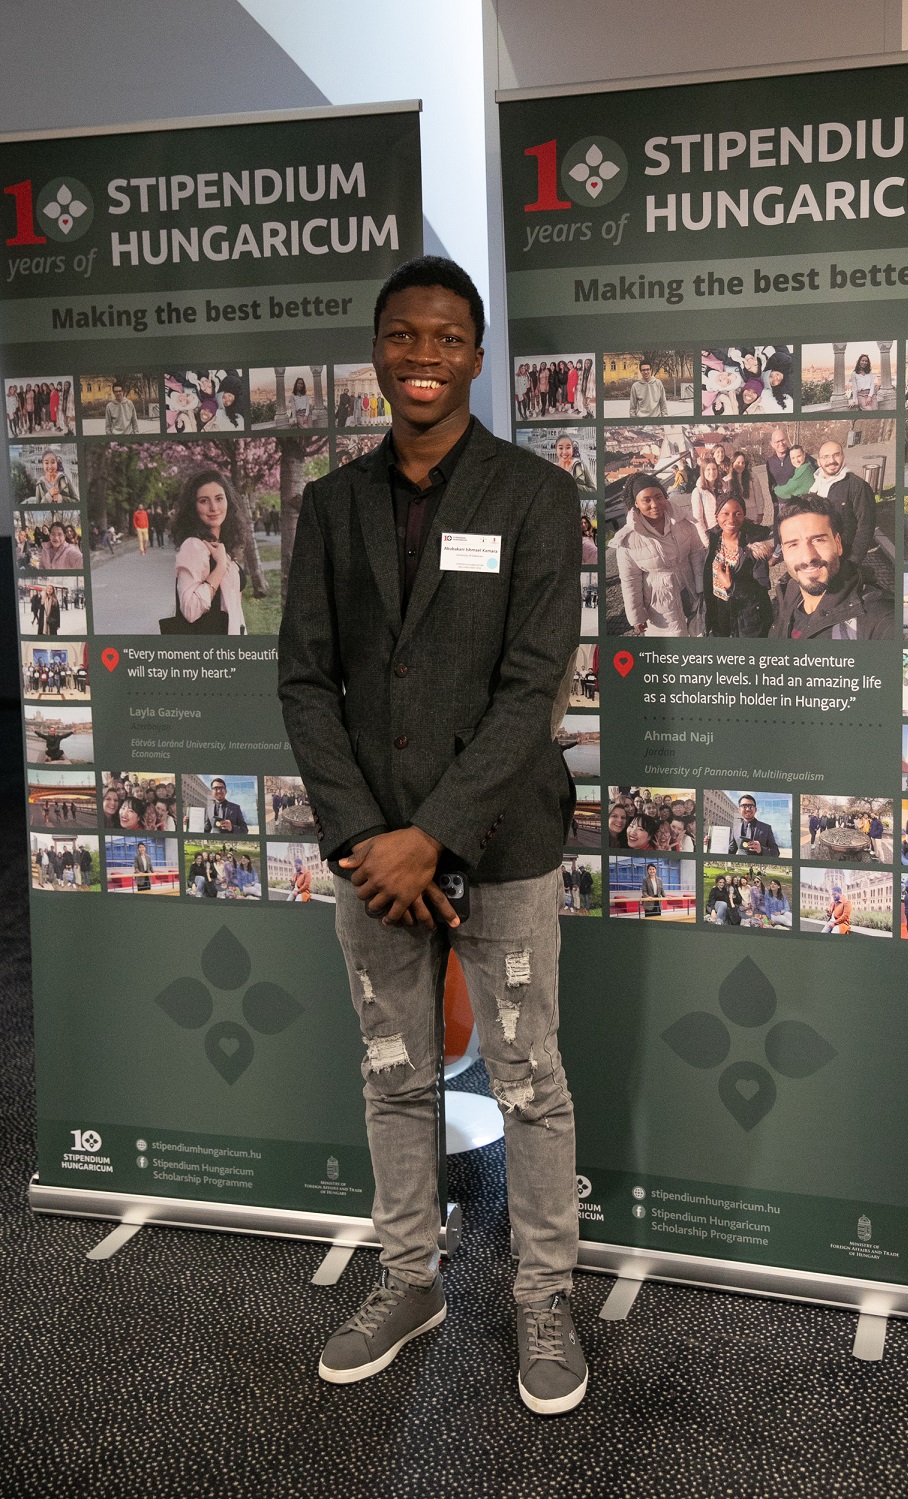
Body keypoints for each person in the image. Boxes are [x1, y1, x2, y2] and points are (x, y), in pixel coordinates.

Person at [278, 257, 587, 1412]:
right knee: (394, 1071)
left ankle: (542, 1294)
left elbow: (530, 687)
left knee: (529, 1077)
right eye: (403, 335)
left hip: (502, 841)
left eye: (446, 337)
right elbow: (306, 681)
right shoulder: (332, 505)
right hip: (373, 856)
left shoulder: (534, 495)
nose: (423, 355)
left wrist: (434, 834)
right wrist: (369, 835)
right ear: (378, 351)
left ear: (475, 355)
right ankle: (409, 1278)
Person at [770, 497, 892, 641]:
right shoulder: (788, 591)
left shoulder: (879, 617)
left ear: (838, 544)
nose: (807, 558)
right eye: (793, 544)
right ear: (783, 552)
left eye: (818, 540)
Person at [609, 472, 704, 637]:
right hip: (659, 603)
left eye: (658, 497)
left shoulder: (683, 521)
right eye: (646, 500)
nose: (655, 504)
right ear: (636, 503)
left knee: (698, 634)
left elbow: (696, 553)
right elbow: (630, 580)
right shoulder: (628, 540)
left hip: (690, 589)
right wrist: (636, 616)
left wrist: (700, 587)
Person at [169, 469, 246, 635]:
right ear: (193, 507)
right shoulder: (193, 546)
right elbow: (190, 610)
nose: (213, 507)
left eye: (219, 498)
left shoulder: (220, 544)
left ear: (228, 501)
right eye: (204, 501)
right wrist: (220, 568)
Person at [704, 496, 773, 638]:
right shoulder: (714, 539)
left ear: (744, 516)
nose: (731, 519)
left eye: (738, 514)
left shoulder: (754, 548)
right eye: (725, 513)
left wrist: (732, 585)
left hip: (746, 616)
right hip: (720, 609)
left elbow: (761, 590)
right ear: (716, 516)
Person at [809, 441, 876, 565]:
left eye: (836, 455)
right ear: (819, 461)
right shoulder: (814, 486)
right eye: (825, 457)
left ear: (843, 457)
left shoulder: (857, 486)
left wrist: (854, 560)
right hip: (819, 556)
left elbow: (866, 525)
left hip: (844, 558)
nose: (831, 460)